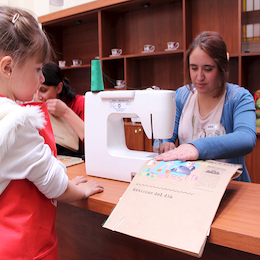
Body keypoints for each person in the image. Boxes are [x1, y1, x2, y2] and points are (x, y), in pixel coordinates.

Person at [0, 6, 103, 259]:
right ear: (8, 68)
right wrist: (77, 190)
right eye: (37, 70)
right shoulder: (16, 122)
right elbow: (53, 183)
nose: (39, 80)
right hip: (25, 248)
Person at [154, 31, 256, 182]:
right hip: (189, 184)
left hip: (228, 187)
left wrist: (196, 148)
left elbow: (246, 138)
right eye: (194, 68)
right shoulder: (182, 96)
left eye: (208, 69)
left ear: (222, 67)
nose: (199, 77)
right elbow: (165, 134)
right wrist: (163, 144)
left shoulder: (239, 98)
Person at [35, 61, 85, 158]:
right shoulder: (35, 105)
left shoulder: (79, 103)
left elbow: (92, 140)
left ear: (59, 88)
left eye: (43, 90)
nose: (38, 96)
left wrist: (66, 112)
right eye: (34, 90)